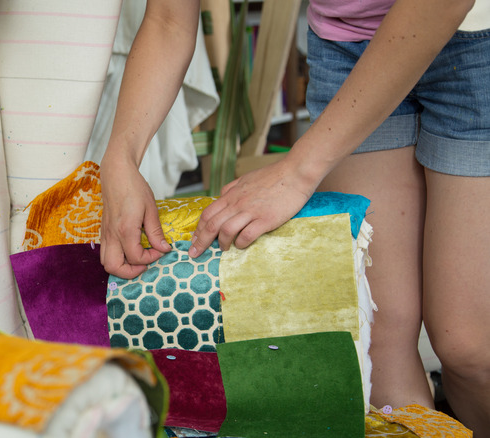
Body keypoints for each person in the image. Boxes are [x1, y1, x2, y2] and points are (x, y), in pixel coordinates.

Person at [99, 0, 490, 434]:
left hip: (473, 41)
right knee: (375, 341)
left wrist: (299, 169)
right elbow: (170, 18)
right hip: (346, 44)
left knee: (470, 350)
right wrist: (120, 158)